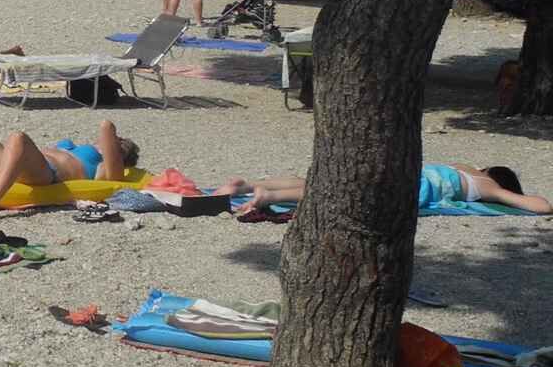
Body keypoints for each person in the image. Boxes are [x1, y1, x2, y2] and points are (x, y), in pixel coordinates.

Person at [0, 112, 140, 224]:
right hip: (6, 163)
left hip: (43, 174)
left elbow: (106, 126)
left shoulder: (106, 168)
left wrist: (115, 143)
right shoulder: (80, 148)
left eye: (118, 143)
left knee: (18, 138)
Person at [213, 163, 552, 217]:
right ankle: (269, 197)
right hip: (413, 185)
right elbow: (537, 206)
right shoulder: (489, 185)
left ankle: (249, 185)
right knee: (343, 195)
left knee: (319, 181)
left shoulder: (464, 166)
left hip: (404, 166)